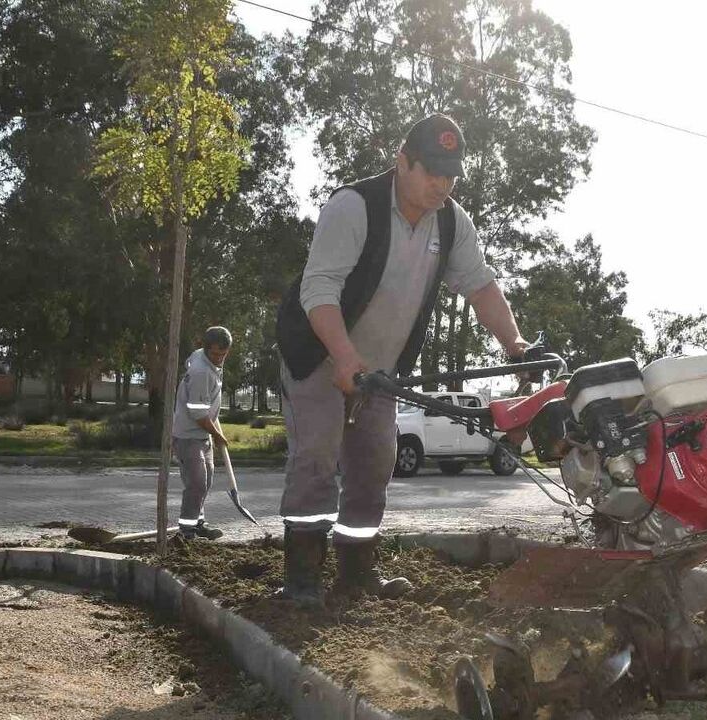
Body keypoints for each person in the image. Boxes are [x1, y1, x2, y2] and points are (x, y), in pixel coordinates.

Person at [274, 114, 531, 606]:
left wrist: (515, 346)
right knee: (316, 463)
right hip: (320, 356)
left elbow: (479, 285)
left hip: (380, 373)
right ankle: (302, 580)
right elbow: (319, 289)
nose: (442, 184)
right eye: (432, 170)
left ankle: (356, 576)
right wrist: (345, 358)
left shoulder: (452, 222)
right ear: (402, 162)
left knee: (375, 465)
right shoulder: (353, 207)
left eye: (450, 174)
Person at [171, 326, 232, 540]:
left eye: (223, 355)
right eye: (214, 354)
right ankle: (186, 531)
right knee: (196, 482)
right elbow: (197, 413)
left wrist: (212, 430)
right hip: (188, 435)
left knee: (205, 482)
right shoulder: (200, 371)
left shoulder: (207, 361)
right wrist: (217, 434)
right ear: (205, 349)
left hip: (202, 434)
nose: (218, 359)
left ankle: (198, 523)